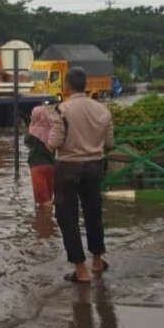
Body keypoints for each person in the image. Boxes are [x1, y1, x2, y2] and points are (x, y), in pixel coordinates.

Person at [48, 67, 114, 284]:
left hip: (68, 166)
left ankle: (80, 270)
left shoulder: (62, 110)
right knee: (93, 212)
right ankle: (97, 260)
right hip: (95, 166)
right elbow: (110, 144)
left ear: (67, 85)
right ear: (85, 85)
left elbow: (54, 143)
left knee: (67, 217)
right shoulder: (103, 110)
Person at [25, 105, 55, 206]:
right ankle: (50, 220)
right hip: (52, 165)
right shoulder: (53, 130)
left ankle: (43, 221)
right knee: (49, 198)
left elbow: (27, 143)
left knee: (43, 202)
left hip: (37, 166)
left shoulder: (32, 131)